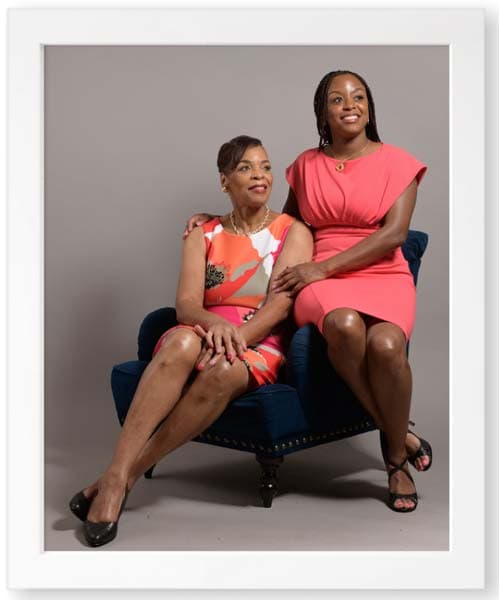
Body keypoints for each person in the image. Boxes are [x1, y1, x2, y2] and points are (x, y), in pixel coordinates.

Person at [184, 71, 432, 513]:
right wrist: (219, 218)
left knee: (389, 343)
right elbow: (283, 226)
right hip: (318, 278)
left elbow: (394, 235)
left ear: (369, 106)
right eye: (337, 99)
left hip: (379, 272)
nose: (349, 105)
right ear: (323, 112)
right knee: (344, 325)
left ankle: (392, 440)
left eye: (358, 96)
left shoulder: (399, 162)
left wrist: (323, 268)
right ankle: (398, 453)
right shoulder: (305, 165)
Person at [69, 135, 313, 546]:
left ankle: (115, 480)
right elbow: (185, 306)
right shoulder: (203, 233)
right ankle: (119, 475)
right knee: (180, 343)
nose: (259, 175)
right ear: (224, 181)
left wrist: (235, 338)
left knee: (223, 369)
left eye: (266, 166)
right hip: (202, 329)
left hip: (258, 341)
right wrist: (213, 328)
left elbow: (278, 308)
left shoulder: (294, 233)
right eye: (245, 168)